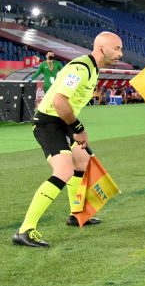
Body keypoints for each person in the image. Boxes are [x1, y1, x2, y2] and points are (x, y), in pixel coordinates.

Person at [12, 32, 124, 248]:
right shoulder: (80, 68)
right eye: (116, 48)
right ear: (101, 49)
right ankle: (25, 230)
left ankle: (77, 214)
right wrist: (78, 128)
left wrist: (73, 127)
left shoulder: (92, 68)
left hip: (62, 121)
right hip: (48, 122)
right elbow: (59, 101)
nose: (120, 53)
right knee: (64, 171)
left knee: (82, 161)